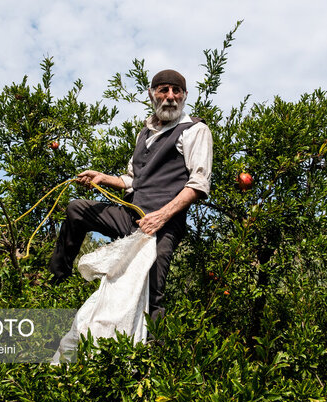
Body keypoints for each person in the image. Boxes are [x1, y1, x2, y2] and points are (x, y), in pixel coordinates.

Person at [49, 69, 213, 320]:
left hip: (162, 226)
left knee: (151, 294)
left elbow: (198, 184)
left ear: (185, 96)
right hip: (131, 216)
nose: (170, 96)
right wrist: (103, 178)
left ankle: (153, 352)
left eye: (176, 91)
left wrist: (161, 216)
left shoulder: (195, 130)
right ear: (152, 94)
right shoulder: (144, 132)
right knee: (77, 209)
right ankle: (57, 282)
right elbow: (133, 180)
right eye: (163, 90)